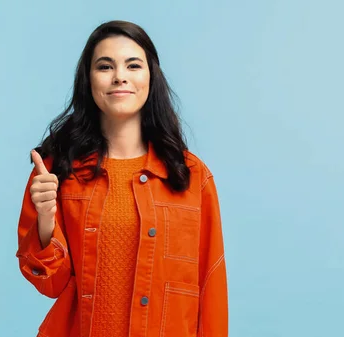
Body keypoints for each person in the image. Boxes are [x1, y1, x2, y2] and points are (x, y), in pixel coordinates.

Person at [16, 20, 227, 337]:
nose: (120, 76)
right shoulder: (56, 172)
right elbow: (50, 284)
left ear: (150, 77)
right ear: (88, 80)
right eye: (105, 66)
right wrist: (46, 220)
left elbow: (210, 286)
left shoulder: (190, 176)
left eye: (133, 65)